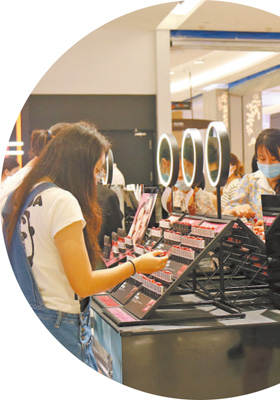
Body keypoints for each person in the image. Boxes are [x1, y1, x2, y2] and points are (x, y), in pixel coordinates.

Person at [2, 122, 168, 370]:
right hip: (60, 324)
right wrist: (135, 266)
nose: (97, 178)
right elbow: (84, 283)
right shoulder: (62, 201)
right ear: (78, 164)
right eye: (97, 170)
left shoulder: (26, 193)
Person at [224, 128, 280, 221]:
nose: (268, 164)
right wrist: (235, 210)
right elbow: (225, 213)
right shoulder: (250, 181)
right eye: (262, 159)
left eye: (274, 159)